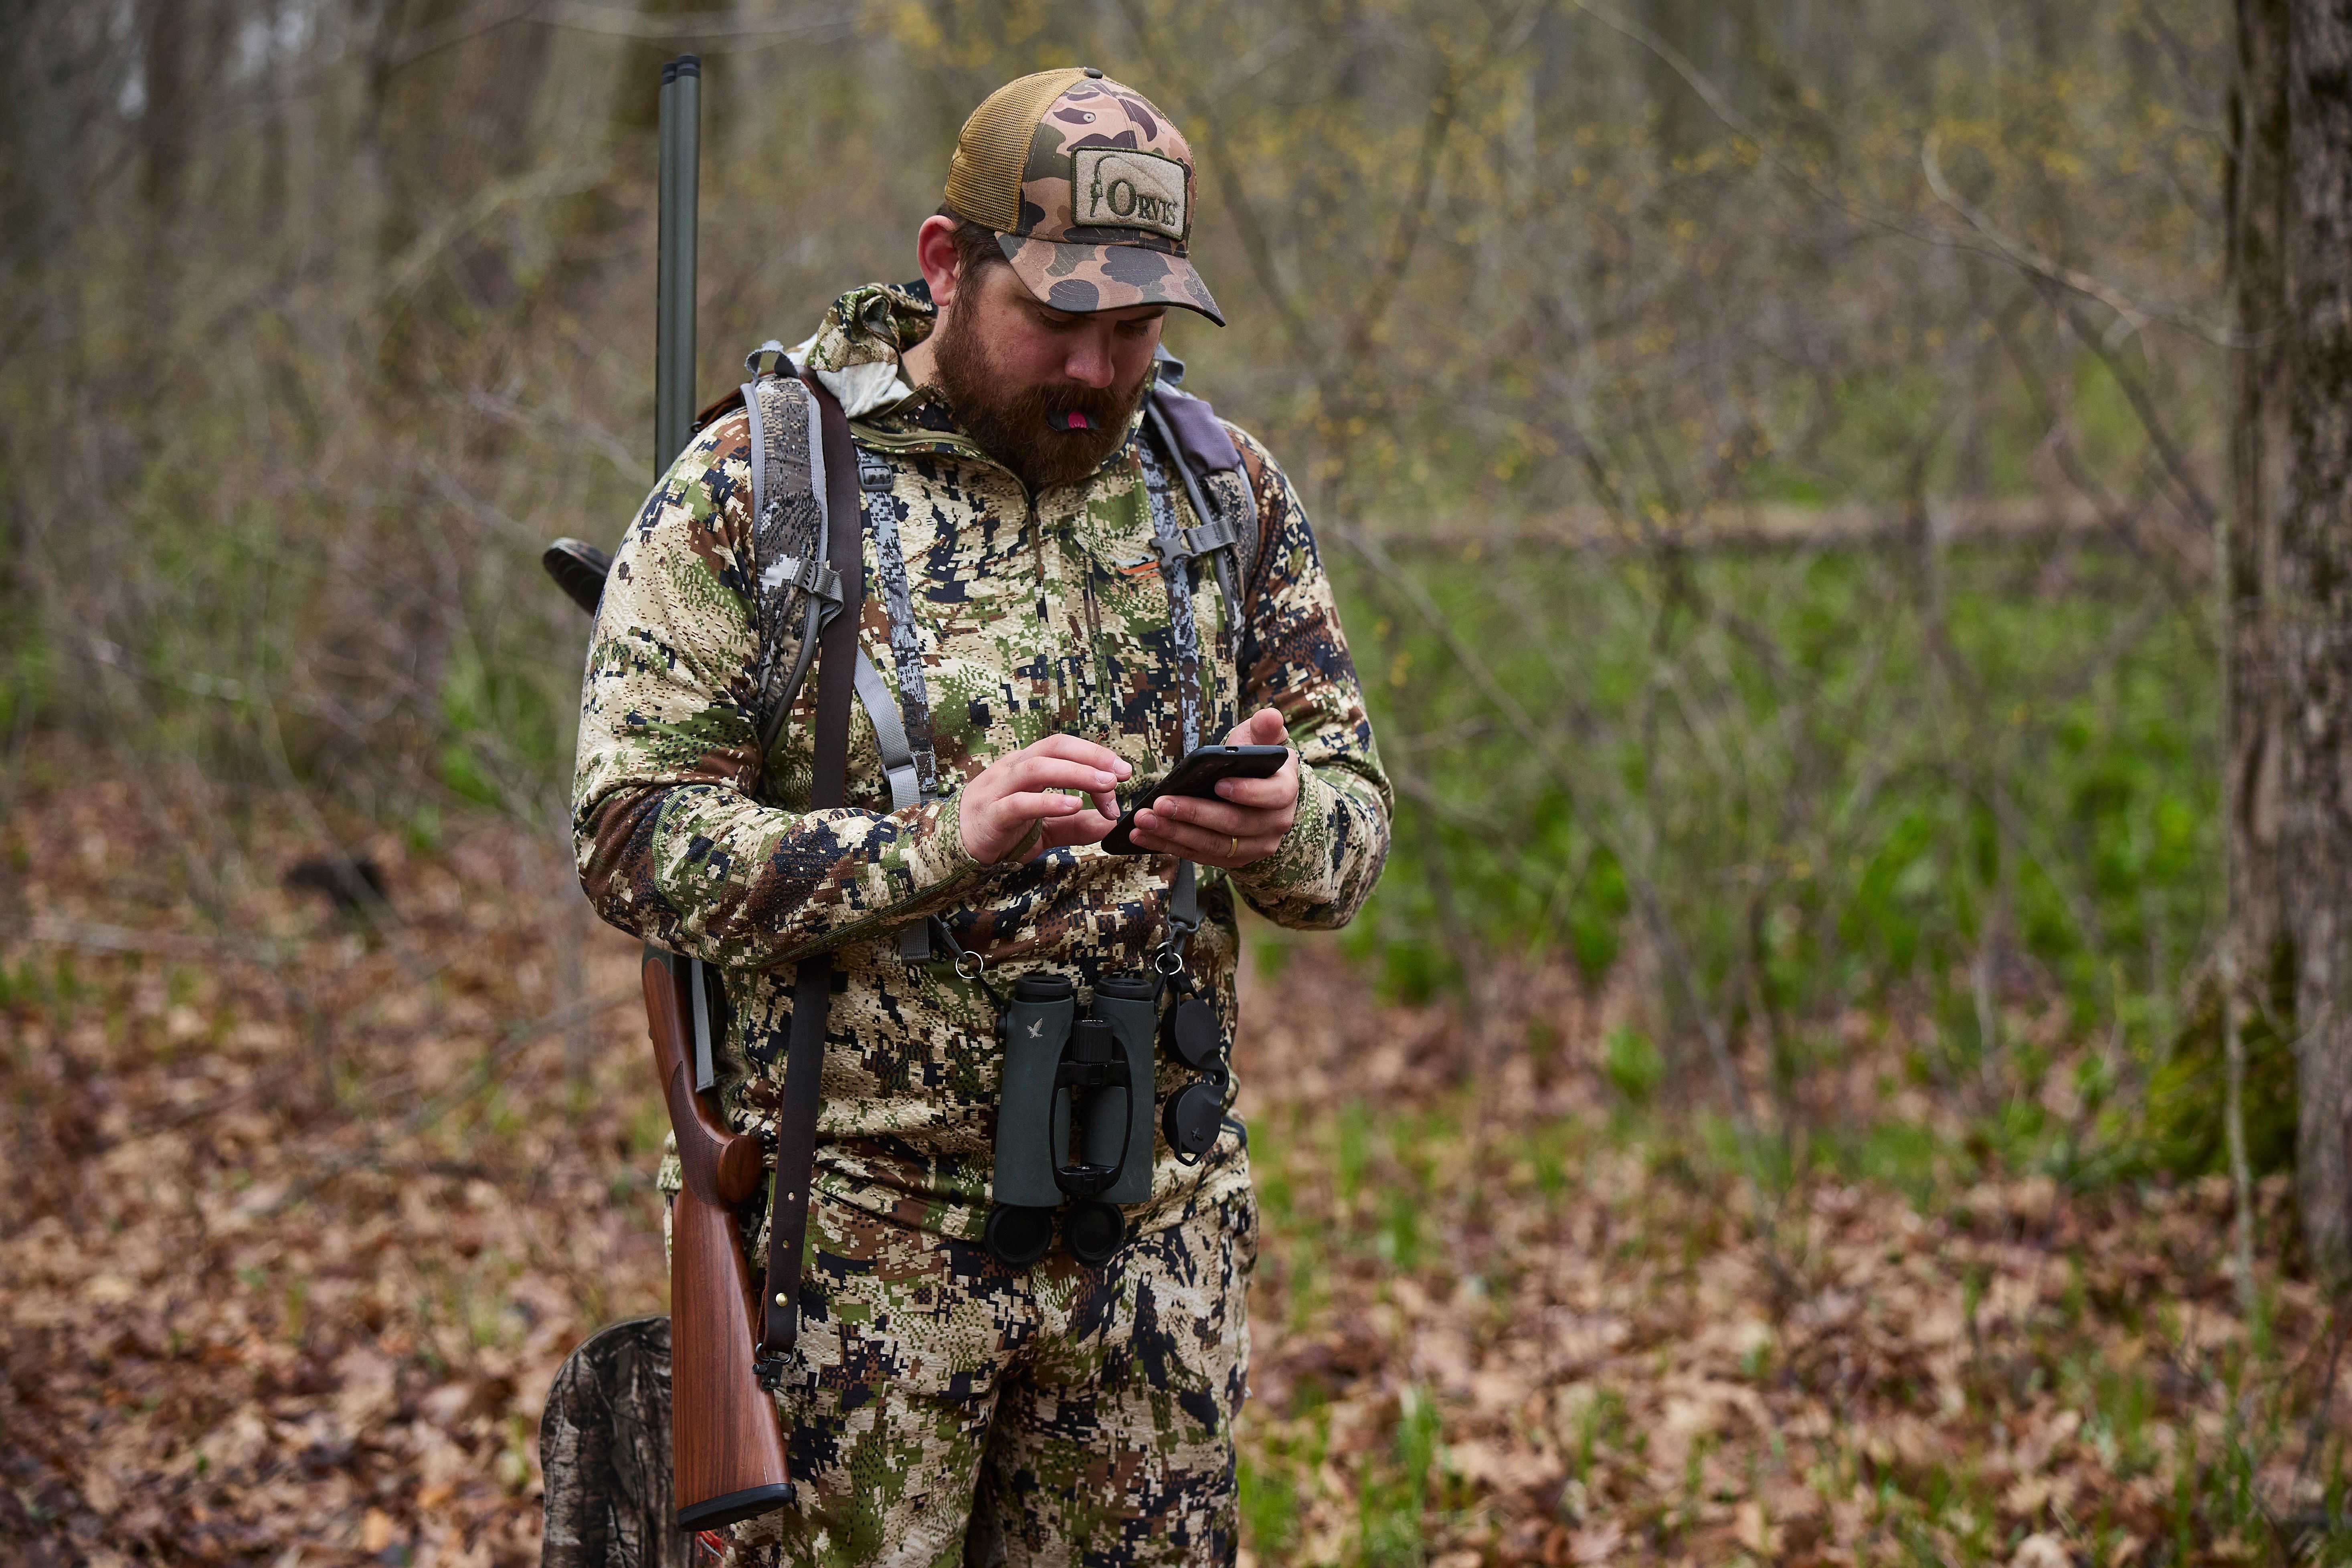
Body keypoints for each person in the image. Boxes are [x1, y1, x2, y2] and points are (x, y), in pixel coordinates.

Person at [572, 65, 1390, 1568]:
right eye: (1055, 320)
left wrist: (1282, 831)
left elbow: (1354, 830)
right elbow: (629, 838)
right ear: (947, 265)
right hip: (860, 1264)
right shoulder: (766, 489)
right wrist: (938, 843)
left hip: (1157, 1255)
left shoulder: (1224, 494)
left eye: (1134, 330)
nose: (1093, 368)